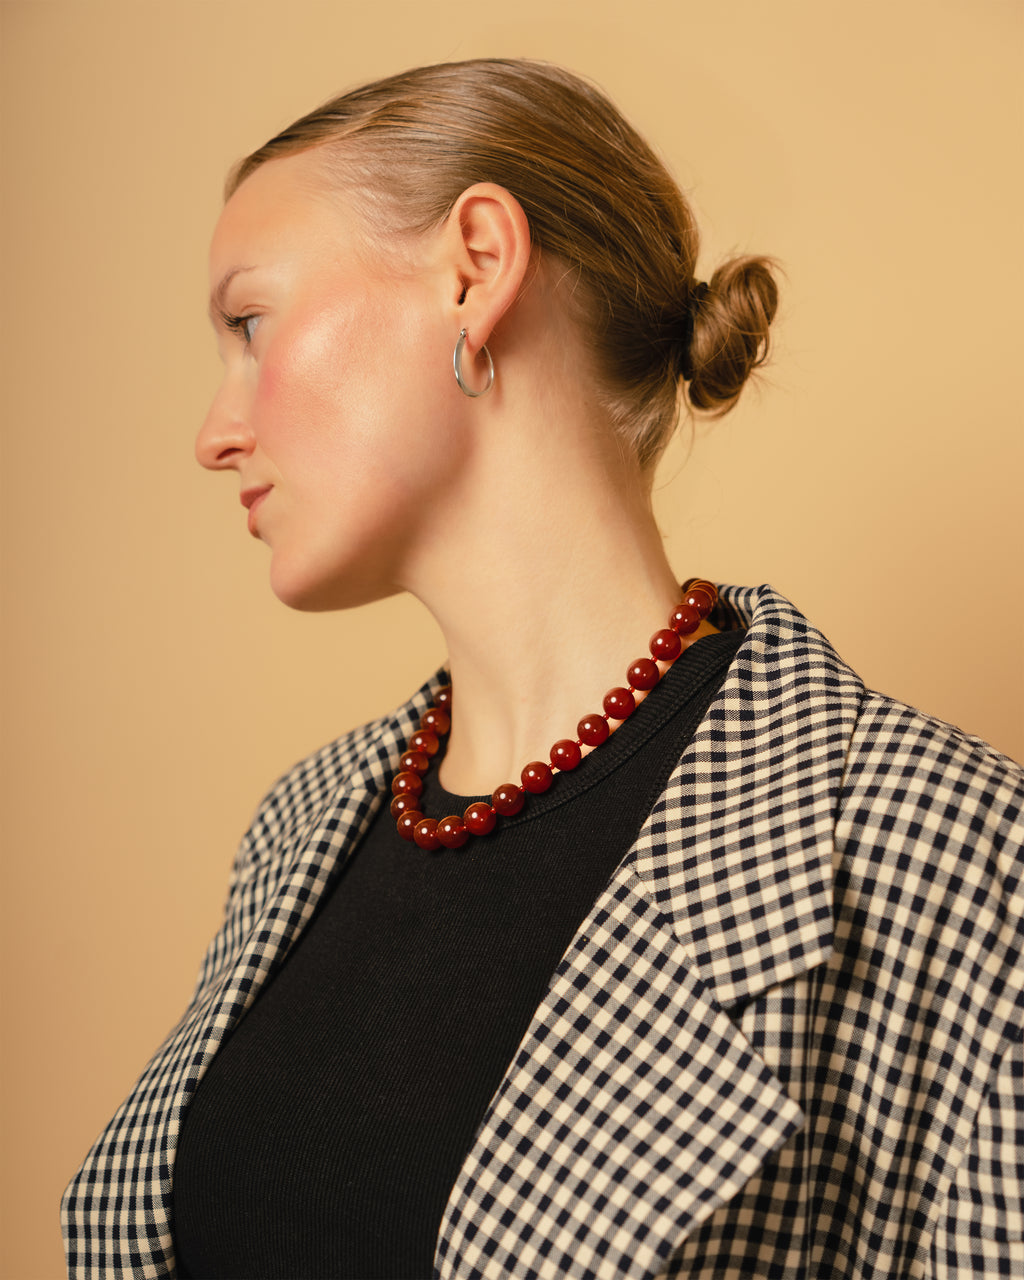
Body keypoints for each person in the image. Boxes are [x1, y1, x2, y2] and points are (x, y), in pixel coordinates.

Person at [61, 58, 1023, 1279]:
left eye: (250, 325)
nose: (214, 432)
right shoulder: (298, 829)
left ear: (475, 268)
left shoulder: (941, 848)